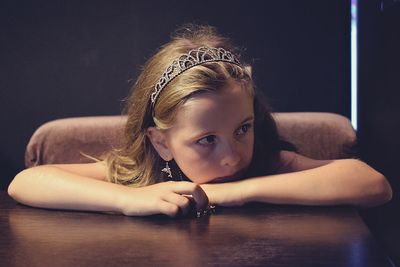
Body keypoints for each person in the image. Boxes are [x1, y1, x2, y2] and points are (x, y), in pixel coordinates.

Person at [7, 24, 393, 218]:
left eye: (243, 128)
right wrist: (126, 199)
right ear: (161, 142)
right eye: (207, 139)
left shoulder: (268, 164)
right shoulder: (150, 175)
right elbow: (25, 182)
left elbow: (374, 185)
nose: (232, 155)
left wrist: (235, 191)